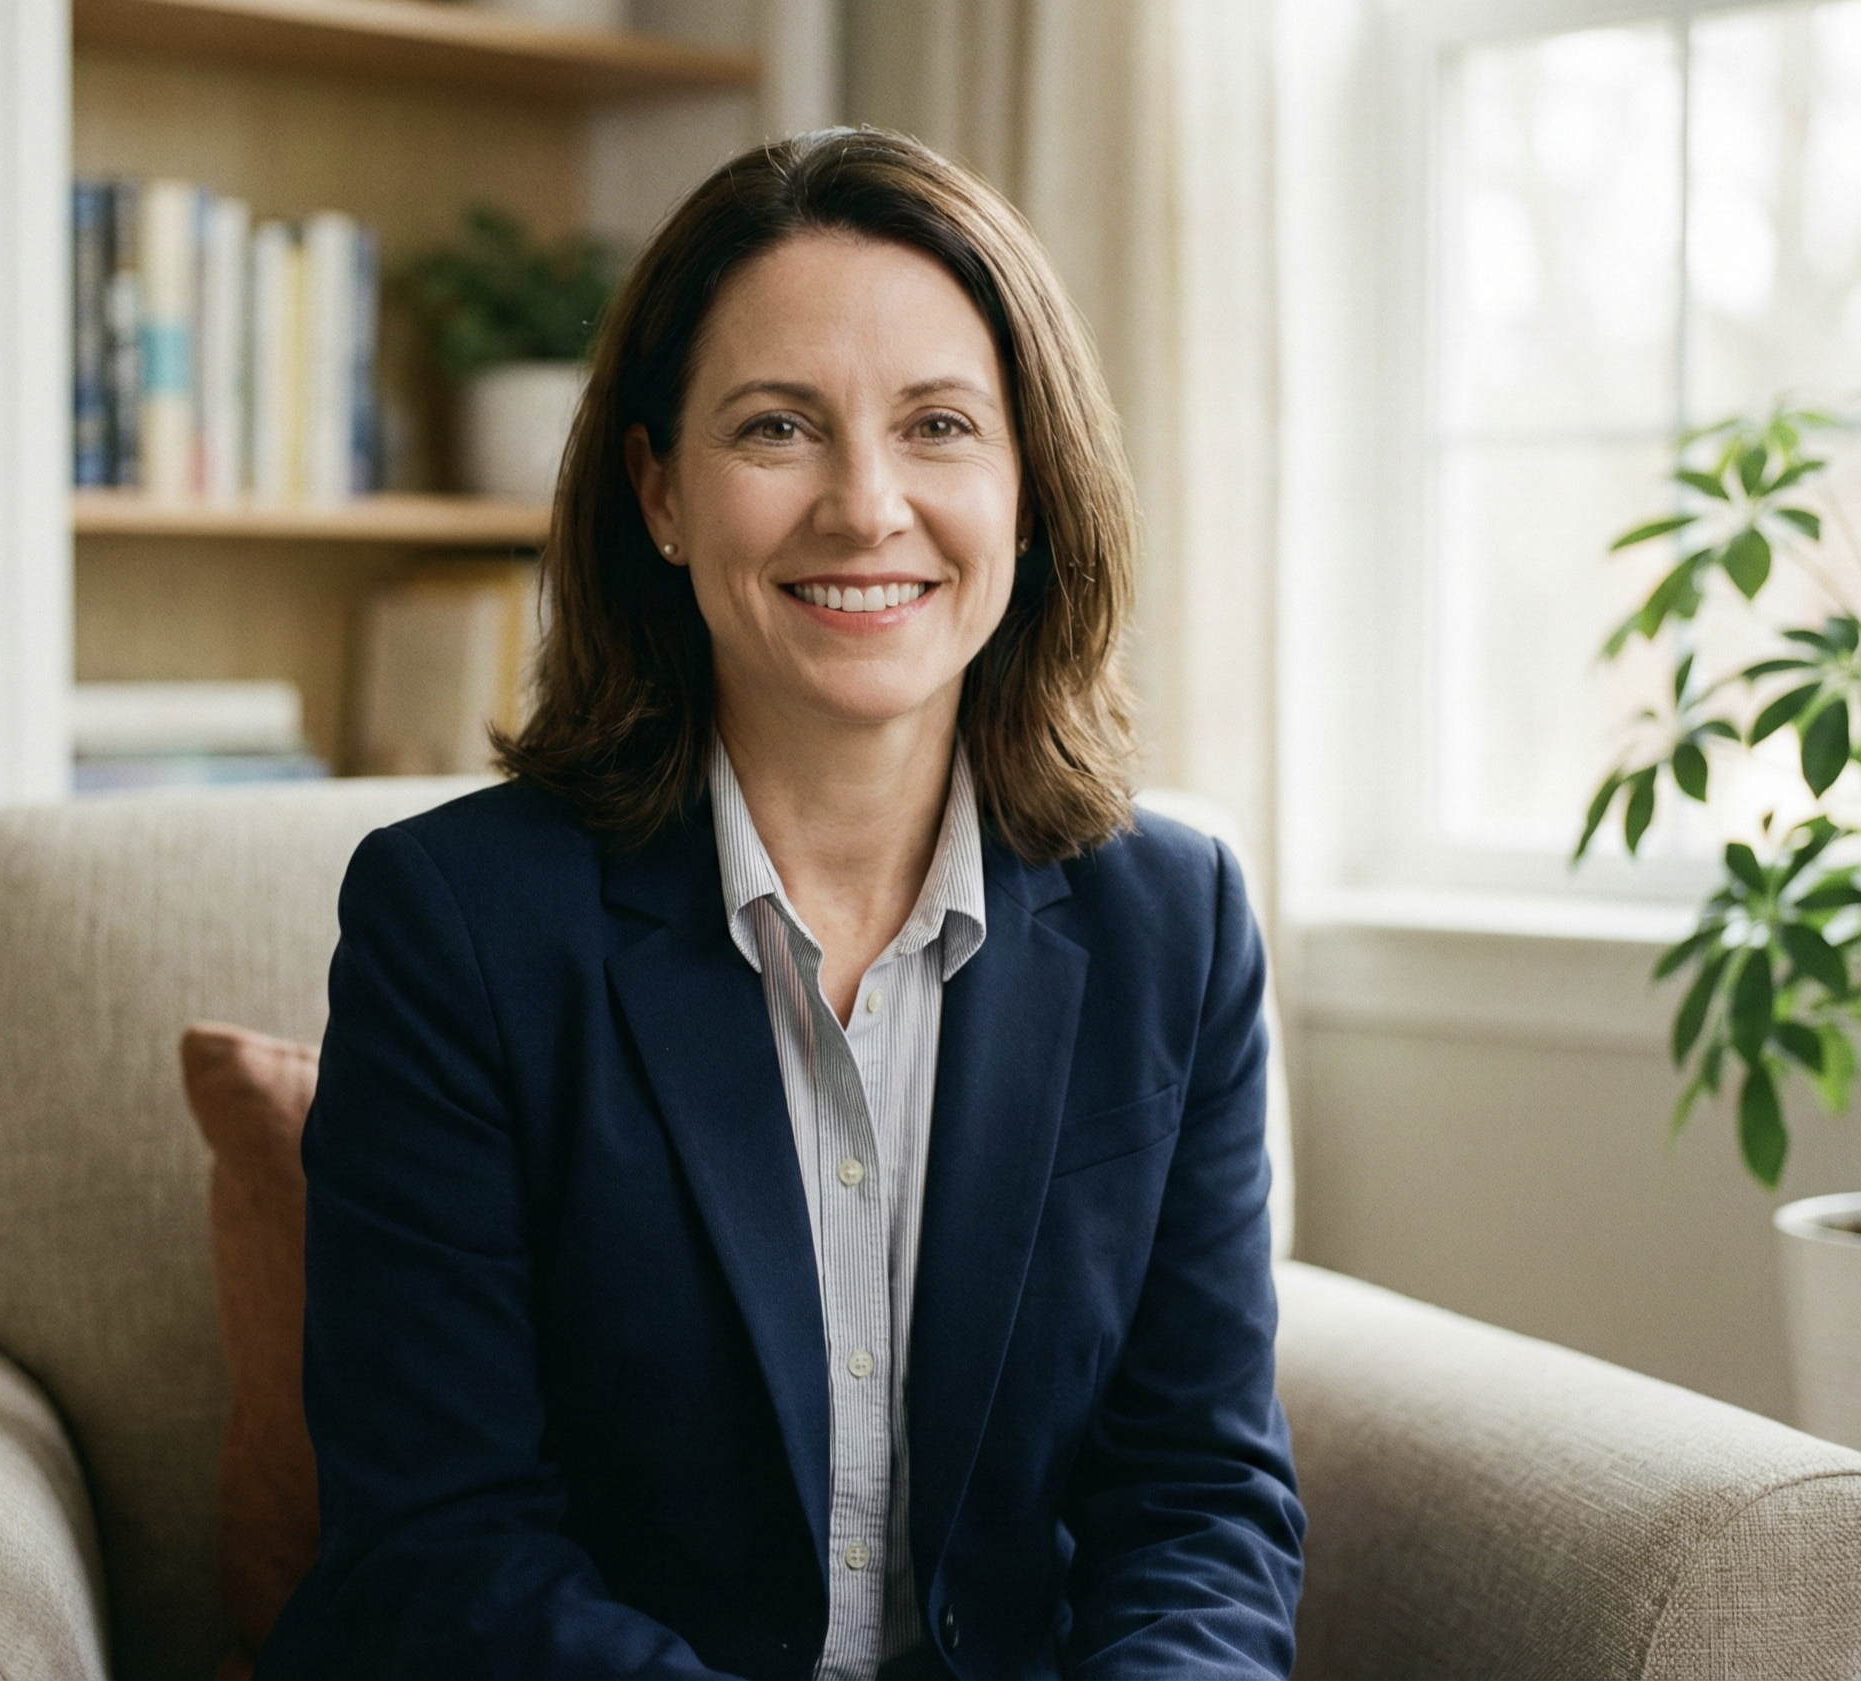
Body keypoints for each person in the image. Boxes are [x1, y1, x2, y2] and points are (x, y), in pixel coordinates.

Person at [258, 127, 1304, 1681]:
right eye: (777, 430)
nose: (867, 506)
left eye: (942, 425)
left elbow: (1198, 1504)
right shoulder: (453, 926)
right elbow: (444, 1542)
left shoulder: (1178, 922)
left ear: (1030, 490)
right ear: (659, 491)